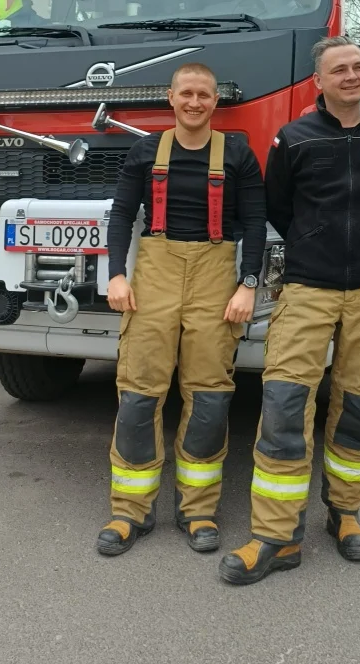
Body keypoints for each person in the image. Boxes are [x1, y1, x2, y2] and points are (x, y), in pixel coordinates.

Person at [219, 35, 360, 585]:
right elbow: (280, 206)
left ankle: (345, 514)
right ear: (320, 82)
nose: (352, 75)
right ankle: (276, 537)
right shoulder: (294, 139)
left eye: (358, 66)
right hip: (309, 287)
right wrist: (314, 240)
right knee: (285, 403)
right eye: (340, 69)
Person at [98, 62, 267, 558]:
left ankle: (199, 510)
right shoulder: (145, 151)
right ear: (170, 98)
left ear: (216, 101)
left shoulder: (237, 153)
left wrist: (247, 284)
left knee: (210, 397)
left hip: (217, 279)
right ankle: (129, 511)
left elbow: (255, 222)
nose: (195, 103)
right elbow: (123, 213)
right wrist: (116, 274)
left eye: (204, 95)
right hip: (156, 275)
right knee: (138, 394)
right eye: (186, 94)